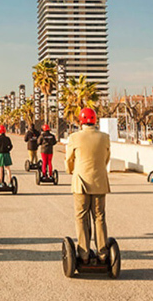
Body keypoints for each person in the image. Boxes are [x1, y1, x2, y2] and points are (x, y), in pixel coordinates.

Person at [65, 107, 111, 265]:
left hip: (81, 182)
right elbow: (106, 158)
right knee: (99, 217)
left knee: (81, 217)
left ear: (80, 120)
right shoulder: (104, 137)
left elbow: (69, 159)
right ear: (95, 120)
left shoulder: (74, 137)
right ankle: (103, 254)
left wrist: (71, 170)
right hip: (99, 181)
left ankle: (84, 254)